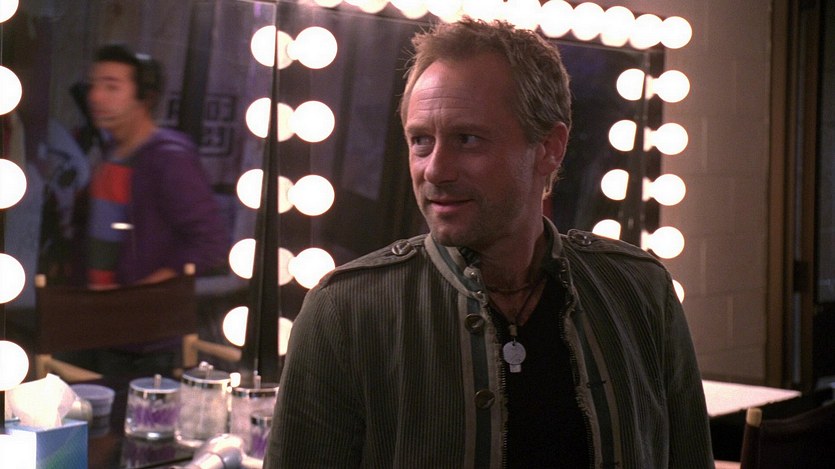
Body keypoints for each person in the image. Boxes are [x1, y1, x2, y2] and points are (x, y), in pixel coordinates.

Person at [265, 19, 713, 468]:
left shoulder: (638, 291)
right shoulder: (347, 312)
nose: (435, 170)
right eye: (421, 140)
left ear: (549, 147)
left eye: (467, 139)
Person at [80, 44, 228, 288]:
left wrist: (142, 293)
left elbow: (210, 244)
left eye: (111, 87)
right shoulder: (110, 153)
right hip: (96, 302)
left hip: (138, 307)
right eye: (93, 85)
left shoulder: (169, 159)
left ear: (145, 96)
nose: (95, 96)